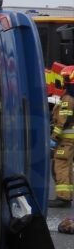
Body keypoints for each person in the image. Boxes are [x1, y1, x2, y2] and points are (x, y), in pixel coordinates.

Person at [50, 76, 74, 209]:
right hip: (70, 140)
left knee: (61, 166)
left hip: (65, 139)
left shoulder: (68, 99)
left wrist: (53, 138)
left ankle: (63, 198)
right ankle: (68, 196)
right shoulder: (71, 97)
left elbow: (62, 121)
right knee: (67, 166)